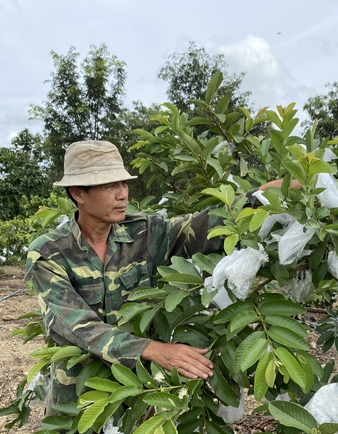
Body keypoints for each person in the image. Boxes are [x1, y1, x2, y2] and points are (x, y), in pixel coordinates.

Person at [25, 140, 282, 414]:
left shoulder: (144, 233)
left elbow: (199, 227)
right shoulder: (49, 252)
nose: (122, 194)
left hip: (138, 387)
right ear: (78, 192)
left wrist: (259, 198)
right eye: (110, 186)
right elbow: (76, 325)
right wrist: (156, 350)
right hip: (78, 393)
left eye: (123, 184)